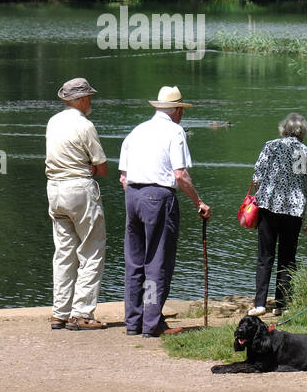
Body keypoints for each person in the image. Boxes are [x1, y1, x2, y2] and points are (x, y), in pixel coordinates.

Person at [118, 85, 211, 338]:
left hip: (133, 197)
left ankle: (133, 322)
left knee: (135, 262)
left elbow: (123, 178)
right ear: (178, 110)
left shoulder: (137, 131)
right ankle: (152, 323)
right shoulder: (175, 131)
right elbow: (180, 175)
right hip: (157, 198)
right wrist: (198, 202)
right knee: (156, 263)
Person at [45, 78, 109, 330]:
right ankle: (82, 312)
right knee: (92, 250)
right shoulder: (85, 125)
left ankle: (59, 312)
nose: (91, 101)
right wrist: (92, 168)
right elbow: (102, 167)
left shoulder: (53, 121)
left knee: (63, 252)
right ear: (81, 100)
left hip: (54, 189)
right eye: (89, 97)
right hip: (79, 189)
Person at [247, 112, 307, 317]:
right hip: (294, 211)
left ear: (283, 129)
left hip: (268, 206)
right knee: (287, 259)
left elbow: (257, 176)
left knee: (264, 257)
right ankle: (281, 305)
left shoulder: (271, 146)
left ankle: (260, 304)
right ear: (303, 132)